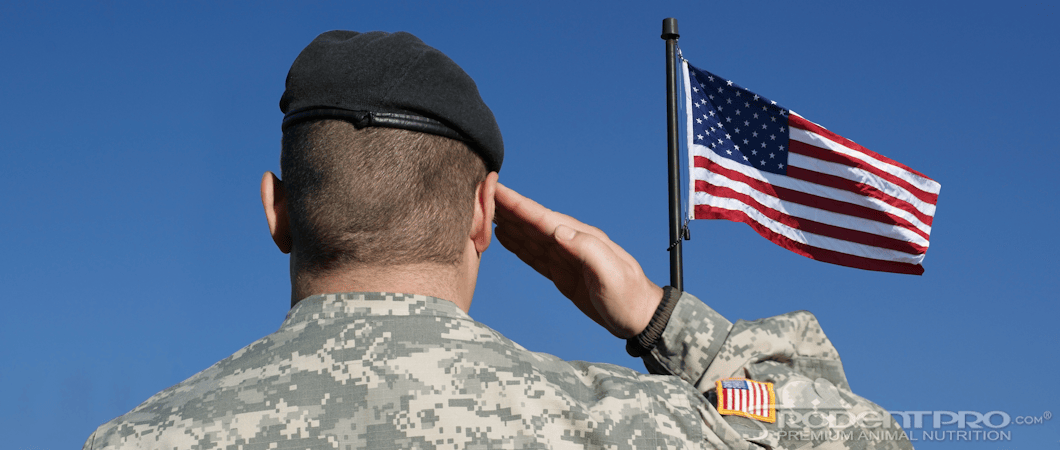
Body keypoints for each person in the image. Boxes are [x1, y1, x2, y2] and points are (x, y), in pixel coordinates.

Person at [83, 30, 913, 450]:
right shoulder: (626, 427)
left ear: (278, 211)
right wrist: (661, 321)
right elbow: (866, 436)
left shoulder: (137, 440)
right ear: (486, 212)